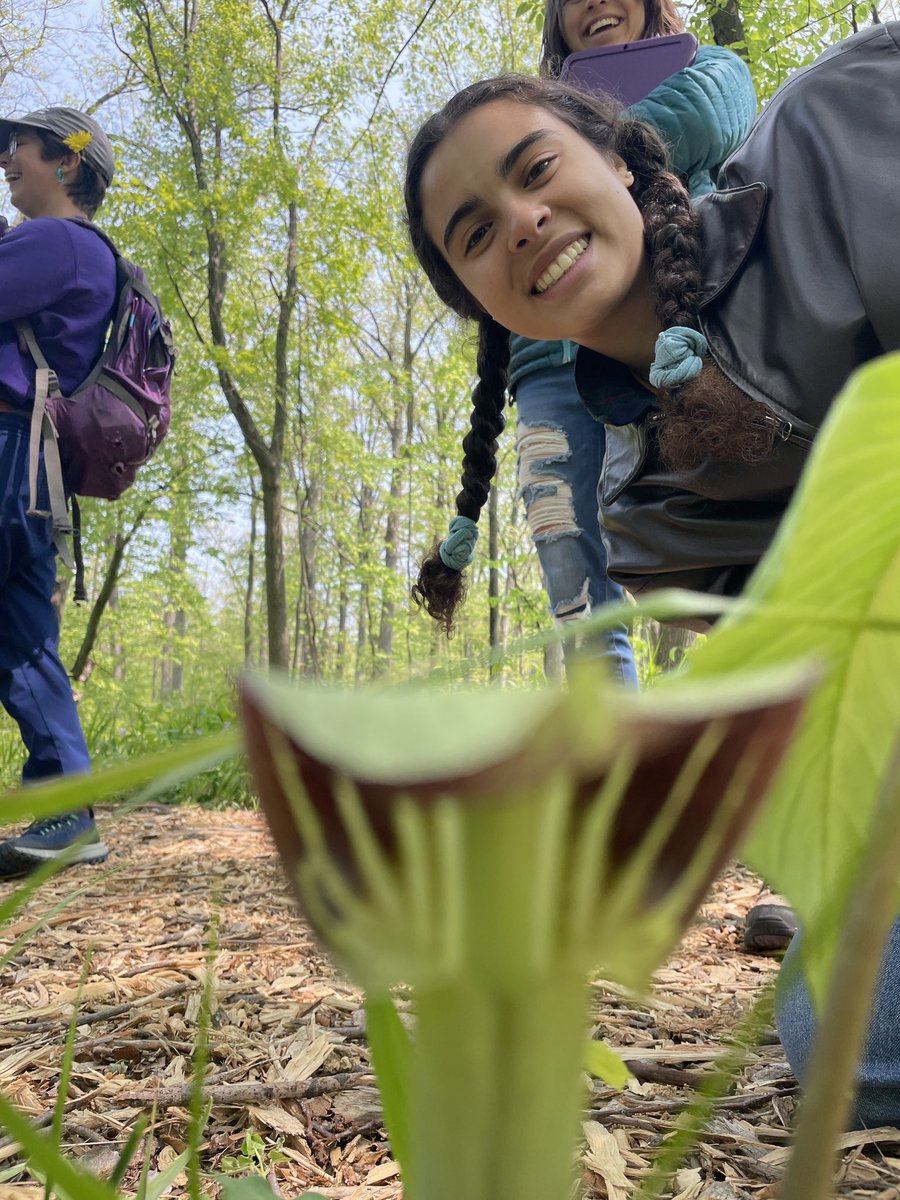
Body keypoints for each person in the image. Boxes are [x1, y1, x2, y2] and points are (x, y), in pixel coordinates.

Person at [406, 20, 899, 625]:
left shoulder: (839, 115)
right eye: (477, 234)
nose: (523, 222)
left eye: (537, 170)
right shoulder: (651, 533)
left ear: (617, 162)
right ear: (483, 307)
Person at [509, 0, 754, 685]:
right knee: (574, 581)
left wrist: (562, 162)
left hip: (677, 338)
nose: (592, 3)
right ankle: (614, 773)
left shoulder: (707, 65)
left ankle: (750, 741)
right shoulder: (529, 115)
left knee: (725, 549)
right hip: (546, 372)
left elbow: (710, 112)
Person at [0, 107, 118, 876]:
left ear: (65, 164)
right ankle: (67, 812)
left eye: (21, 149)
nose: (8, 159)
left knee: (21, 638)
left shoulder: (53, 242)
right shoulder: (90, 253)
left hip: (6, 444)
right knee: (24, 641)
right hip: (30, 465)